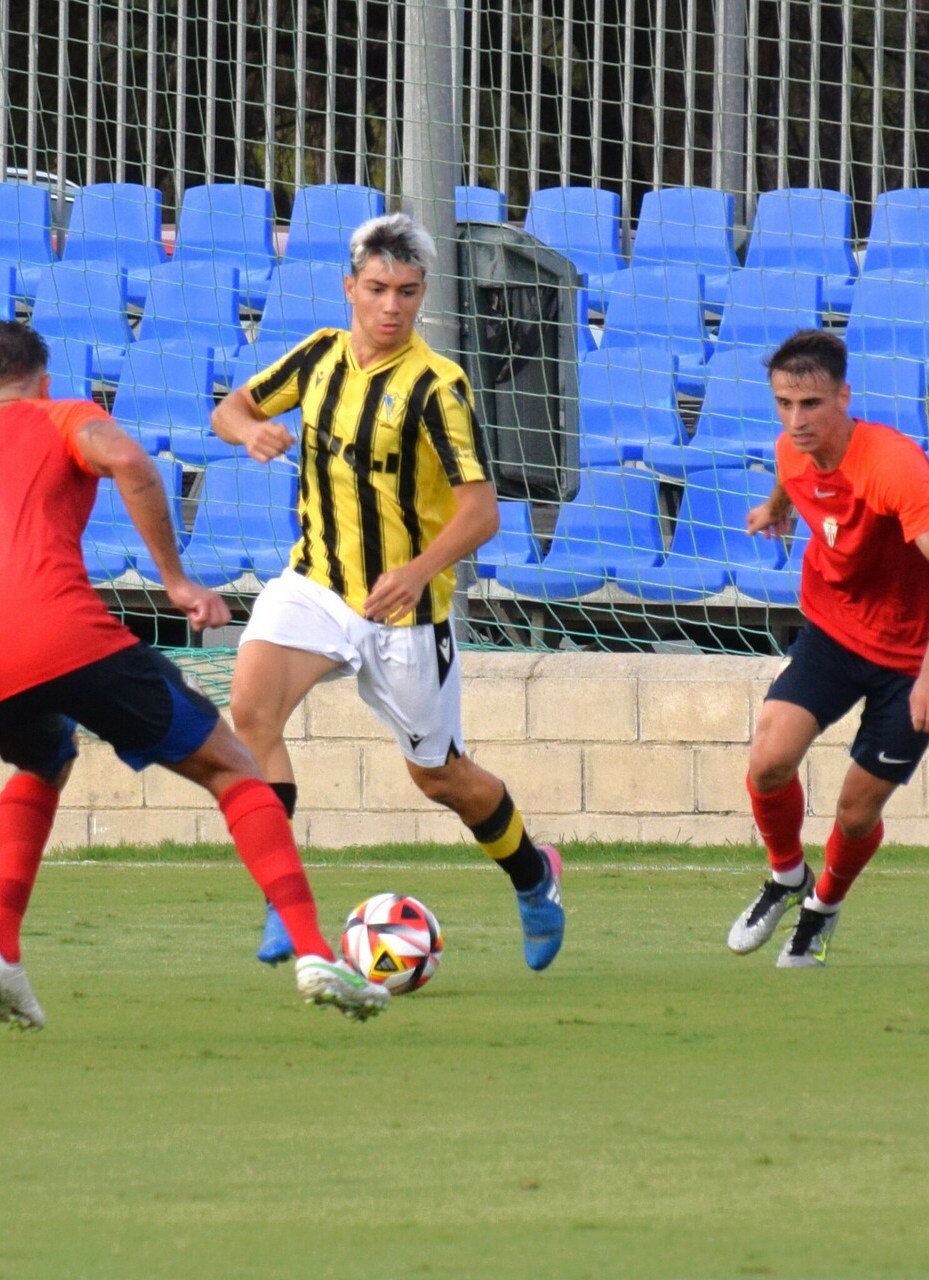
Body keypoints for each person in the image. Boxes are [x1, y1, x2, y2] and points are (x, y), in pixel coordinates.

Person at [0, 321, 389, 1027]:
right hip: (62, 634)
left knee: (43, 762)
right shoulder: (61, 417)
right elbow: (130, 460)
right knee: (234, 768)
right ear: (43, 385)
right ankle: (316, 955)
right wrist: (177, 581)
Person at [209, 212, 566, 973]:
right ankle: (284, 901)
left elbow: (482, 512)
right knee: (252, 713)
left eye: (406, 291)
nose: (391, 306)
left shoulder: (439, 388)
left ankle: (534, 876)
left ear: (423, 294)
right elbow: (230, 408)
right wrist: (249, 432)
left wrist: (416, 571)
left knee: (440, 777)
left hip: (407, 612)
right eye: (377, 289)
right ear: (351, 288)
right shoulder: (318, 357)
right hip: (315, 584)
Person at [729, 329, 929, 968]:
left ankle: (822, 909)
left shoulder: (892, 465)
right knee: (768, 759)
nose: (796, 420)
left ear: (843, 396)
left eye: (810, 404)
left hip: (912, 657)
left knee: (856, 811)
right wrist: (775, 508)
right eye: (784, 404)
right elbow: (791, 474)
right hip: (836, 630)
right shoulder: (790, 448)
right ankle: (787, 877)